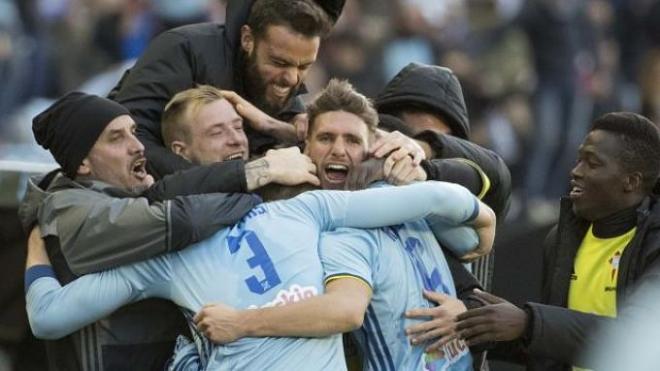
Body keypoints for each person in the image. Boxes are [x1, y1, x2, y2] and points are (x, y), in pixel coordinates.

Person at [25, 178, 493, 371]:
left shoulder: (162, 257)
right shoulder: (308, 209)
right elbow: (437, 197)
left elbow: (47, 316)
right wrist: (483, 224)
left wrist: (35, 236)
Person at [17, 92, 317, 370]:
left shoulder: (114, 194)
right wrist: (257, 188)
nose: (136, 146)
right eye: (116, 138)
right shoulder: (73, 210)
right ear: (82, 162)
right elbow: (182, 222)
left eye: (134, 132)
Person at [453, 112, 660, 371]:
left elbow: (635, 338)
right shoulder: (560, 240)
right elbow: (554, 349)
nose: (576, 171)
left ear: (631, 181)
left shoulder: (654, 244)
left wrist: (529, 323)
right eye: (578, 160)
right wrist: (485, 324)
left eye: (592, 164)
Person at [110, 0, 345, 178]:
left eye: (304, 66)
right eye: (279, 63)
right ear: (247, 39)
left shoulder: (288, 101)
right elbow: (126, 141)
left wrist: (283, 131)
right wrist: (232, 178)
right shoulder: (182, 49)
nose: (292, 79)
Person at [375, 62, 513, 292]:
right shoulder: (348, 169)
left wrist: (427, 149)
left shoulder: (467, 186)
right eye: (403, 137)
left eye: (435, 140)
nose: (409, 155)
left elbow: (499, 175)